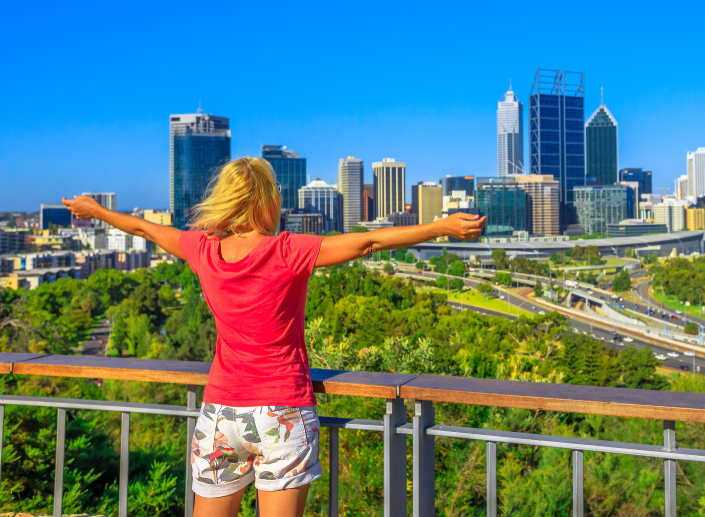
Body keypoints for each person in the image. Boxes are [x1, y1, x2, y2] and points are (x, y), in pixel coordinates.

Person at [63, 157, 485, 517]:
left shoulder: (203, 249)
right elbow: (368, 242)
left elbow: (144, 230)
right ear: (266, 201)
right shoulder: (287, 249)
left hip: (221, 415)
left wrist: (96, 211)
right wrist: (441, 227)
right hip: (282, 411)